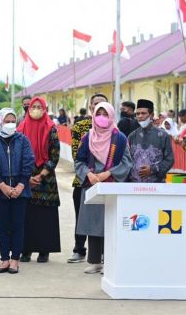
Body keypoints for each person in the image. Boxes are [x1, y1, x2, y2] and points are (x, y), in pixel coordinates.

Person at [75, 102, 132, 274]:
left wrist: (108, 173)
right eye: (98, 113)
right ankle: (95, 262)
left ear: (111, 116)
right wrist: (88, 174)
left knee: (111, 223)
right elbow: (79, 161)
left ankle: (110, 261)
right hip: (92, 184)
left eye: (105, 114)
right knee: (94, 223)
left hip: (112, 184)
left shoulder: (120, 138)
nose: (101, 117)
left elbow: (127, 162)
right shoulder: (87, 137)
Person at [0, 108, 35, 274]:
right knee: (3, 226)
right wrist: (2, 185)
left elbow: (29, 162)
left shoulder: (23, 140)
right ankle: (4, 259)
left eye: (13, 120)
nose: (10, 124)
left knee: (18, 226)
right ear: (0, 121)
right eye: (7, 121)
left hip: (21, 190)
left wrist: (20, 185)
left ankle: (15, 260)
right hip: (0, 191)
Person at [18, 97, 61, 263]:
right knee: (26, 215)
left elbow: (54, 155)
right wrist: (27, 177)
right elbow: (17, 155)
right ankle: (26, 250)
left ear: (44, 109)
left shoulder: (51, 128)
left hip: (46, 179)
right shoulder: (21, 128)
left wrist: (41, 174)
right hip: (25, 177)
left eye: (39, 106)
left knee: (45, 216)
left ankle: (44, 250)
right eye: (33, 106)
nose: (35, 109)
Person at [67, 93, 108, 264]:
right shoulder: (80, 127)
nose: (97, 107)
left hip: (106, 180)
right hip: (83, 179)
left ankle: (104, 252)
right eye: (95, 104)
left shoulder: (113, 128)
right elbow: (77, 154)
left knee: (104, 217)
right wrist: (89, 174)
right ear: (91, 107)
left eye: (102, 104)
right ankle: (79, 249)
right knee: (82, 216)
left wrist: (104, 174)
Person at [128, 99, 174, 182]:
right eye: (138, 114)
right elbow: (127, 160)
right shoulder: (132, 136)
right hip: (134, 186)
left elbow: (169, 159)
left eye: (143, 113)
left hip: (156, 185)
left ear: (151, 115)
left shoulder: (163, 135)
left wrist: (152, 169)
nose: (140, 116)